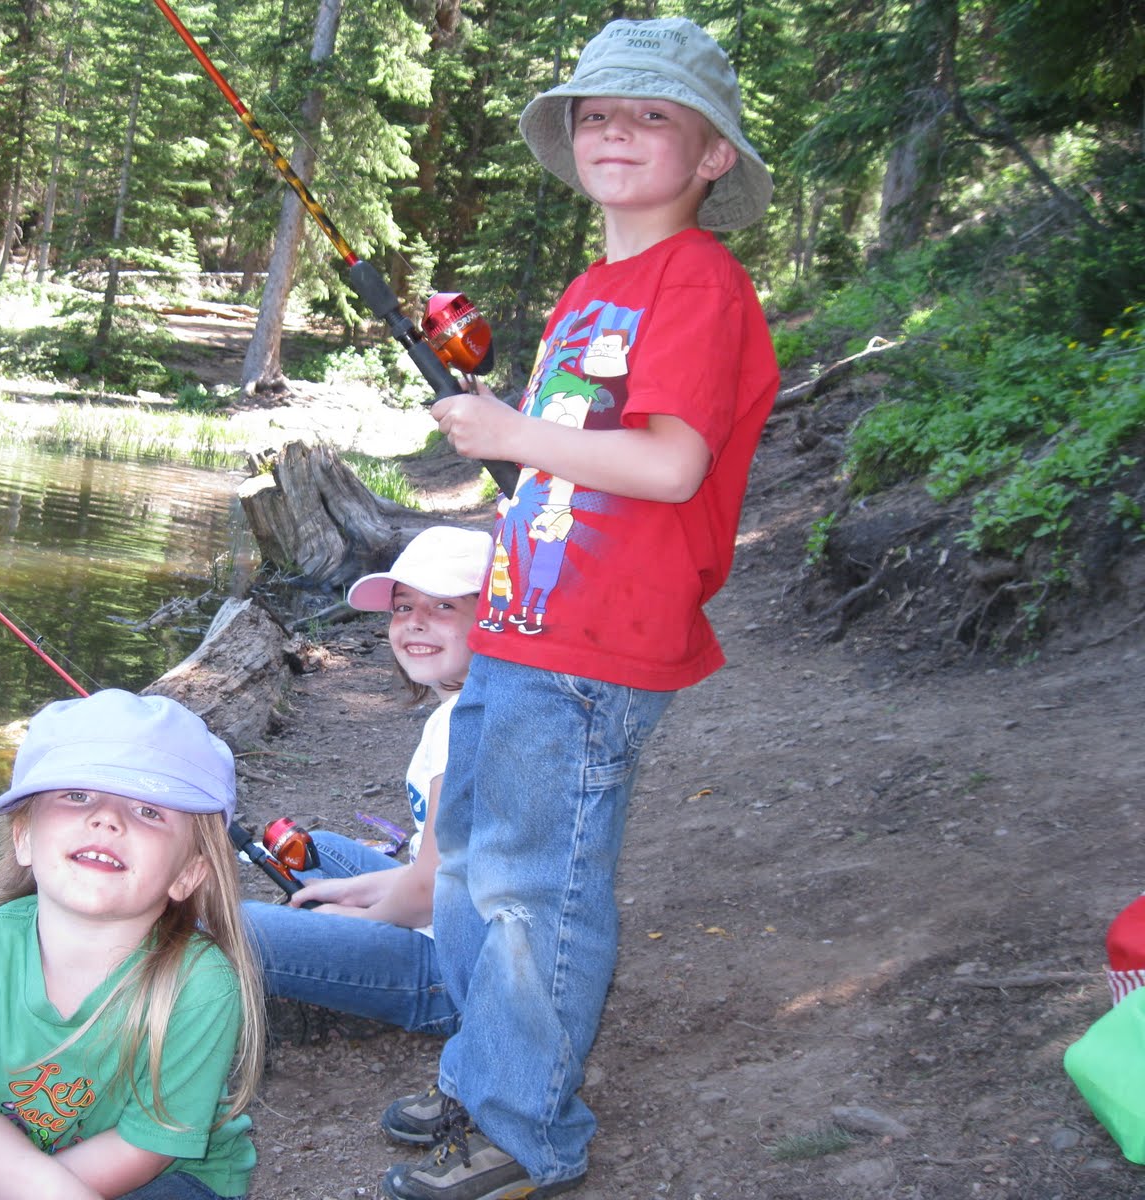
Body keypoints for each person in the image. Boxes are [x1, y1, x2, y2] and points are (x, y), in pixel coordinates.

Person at [379, 17, 779, 1200]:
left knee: (531, 883)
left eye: (655, 114)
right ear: (570, 139)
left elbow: (667, 467)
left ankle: (527, 1135)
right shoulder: (594, 289)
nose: (620, 130)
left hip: (601, 647)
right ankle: (488, 1066)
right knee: (465, 868)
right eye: (600, 112)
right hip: (525, 623)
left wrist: (505, 430)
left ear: (711, 157)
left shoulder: (696, 283)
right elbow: (574, 465)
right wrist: (514, 448)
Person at [0, 690, 264, 1200]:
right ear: (23, 836)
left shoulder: (200, 986)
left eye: (147, 809)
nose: (107, 819)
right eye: (77, 795)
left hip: (168, 1176)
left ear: (189, 872)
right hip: (20, 1171)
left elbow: (146, 1147)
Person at [243, 525, 492, 1038]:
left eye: (443, 606)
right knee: (325, 853)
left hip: (458, 973)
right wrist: (355, 891)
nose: (415, 623)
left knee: (225, 927)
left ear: (492, 621)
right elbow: (445, 875)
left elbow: (431, 891)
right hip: (454, 911)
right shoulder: (467, 706)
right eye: (403, 608)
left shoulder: (467, 728)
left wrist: (353, 919)